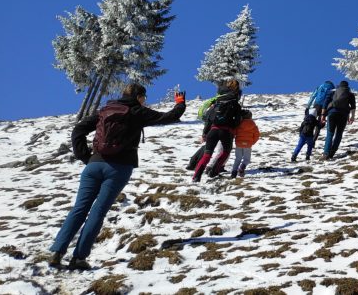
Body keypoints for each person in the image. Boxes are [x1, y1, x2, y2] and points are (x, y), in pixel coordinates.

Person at [48, 84, 186, 270]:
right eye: (144, 96)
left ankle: (57, 252)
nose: (145, 100)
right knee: (98, 212)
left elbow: (78, 130)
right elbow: (168, 117)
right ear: (138, 96)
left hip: (94, 165)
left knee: (79, 208)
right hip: (119, 167)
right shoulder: (137, 111)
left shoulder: (105, 110)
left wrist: (85, 157)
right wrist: (180, 103)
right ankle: (79, 258)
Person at [192, 80, 242, 182]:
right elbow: (237, 121)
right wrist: (232, 127)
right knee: (225, 153)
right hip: (226, 132)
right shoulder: (235, 104)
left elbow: (208, 119)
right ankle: (214, 172)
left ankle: (196, 177)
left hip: (213, 131)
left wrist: (204, 134)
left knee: (207, 155)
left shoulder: (216, 103)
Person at [322, 80, 356, 159]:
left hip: (332, 114)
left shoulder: (333, 92)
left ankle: (326, 153)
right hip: (343, 115)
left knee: (330, 133)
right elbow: (353, 106)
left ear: (339, 86)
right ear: (347, 86)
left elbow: (325, 104)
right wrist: (352, 117)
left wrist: (323, 115)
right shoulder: (350, 94)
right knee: (339, 134)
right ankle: (332, 152)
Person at [230, 110, 259, 178]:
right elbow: (257, 135)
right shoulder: (253, 125)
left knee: (238, 158)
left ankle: (234, 172)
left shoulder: (239, 123)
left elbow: (234, 132)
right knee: (247, 159)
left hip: (239, 144)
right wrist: (252, 142)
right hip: (248, 144)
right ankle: (242, 167)